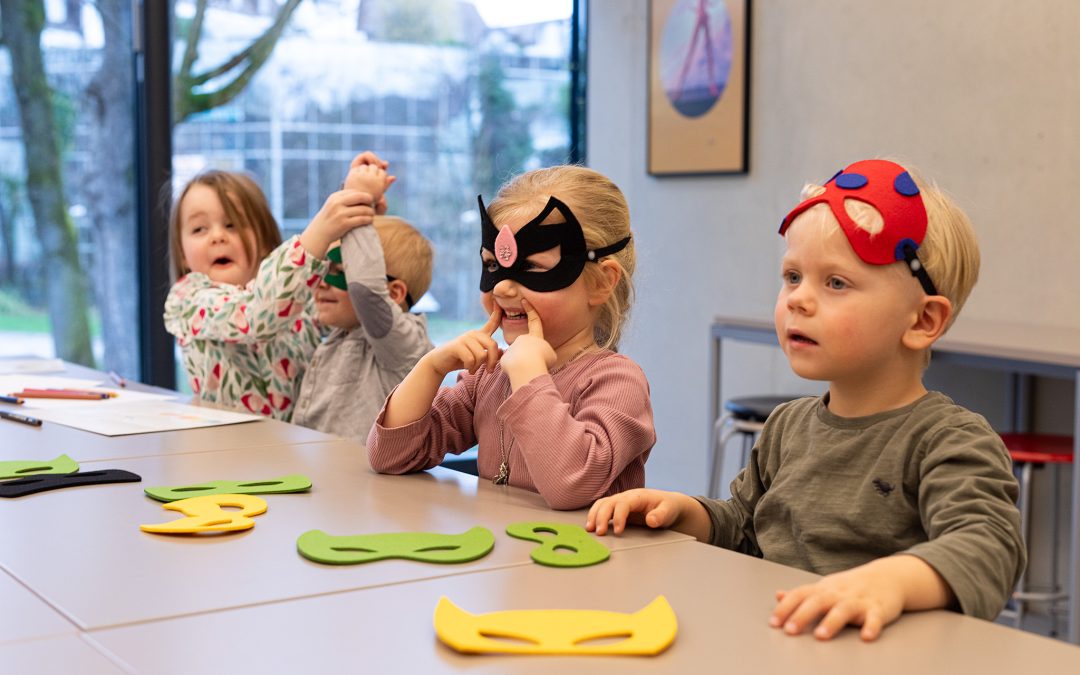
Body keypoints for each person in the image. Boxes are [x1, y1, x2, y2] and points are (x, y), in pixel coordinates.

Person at [586, 159, 1024, 641]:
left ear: (922, 322)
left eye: (835, 283)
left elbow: (989, 545)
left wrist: (892, 582)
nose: (797, 299)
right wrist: (686, 512)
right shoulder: (786, 427)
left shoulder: (948, 440)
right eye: (792, 276)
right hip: (781, 641)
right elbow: (747, 529)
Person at [366, 165, 655, 510]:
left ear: (600, 282)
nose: (502, 286)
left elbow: (571, 485)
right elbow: (390, 455)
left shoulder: (617, 382)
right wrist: (430, 368)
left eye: (531, 268)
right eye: (492, 266)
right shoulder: (489, 377)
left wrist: (530, 377)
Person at [164, 156, 389, 421]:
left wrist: (353, 207)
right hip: (226, 452)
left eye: (232, 224)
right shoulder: (187, 300)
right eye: (199, 229)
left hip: (299, 447)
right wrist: (324, 225)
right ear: (181, 253)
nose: (217, 236)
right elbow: (257, 315)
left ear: (264, 240)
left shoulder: (298, 296)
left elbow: (337, 301)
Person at [292, 213, 435, 440]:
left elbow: (366, 293)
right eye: (323, 270)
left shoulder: (403, 344)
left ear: (393, 293)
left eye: (340, 271)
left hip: (366, 474)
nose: (322, 282)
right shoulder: (339, 332)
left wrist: (359, 198)